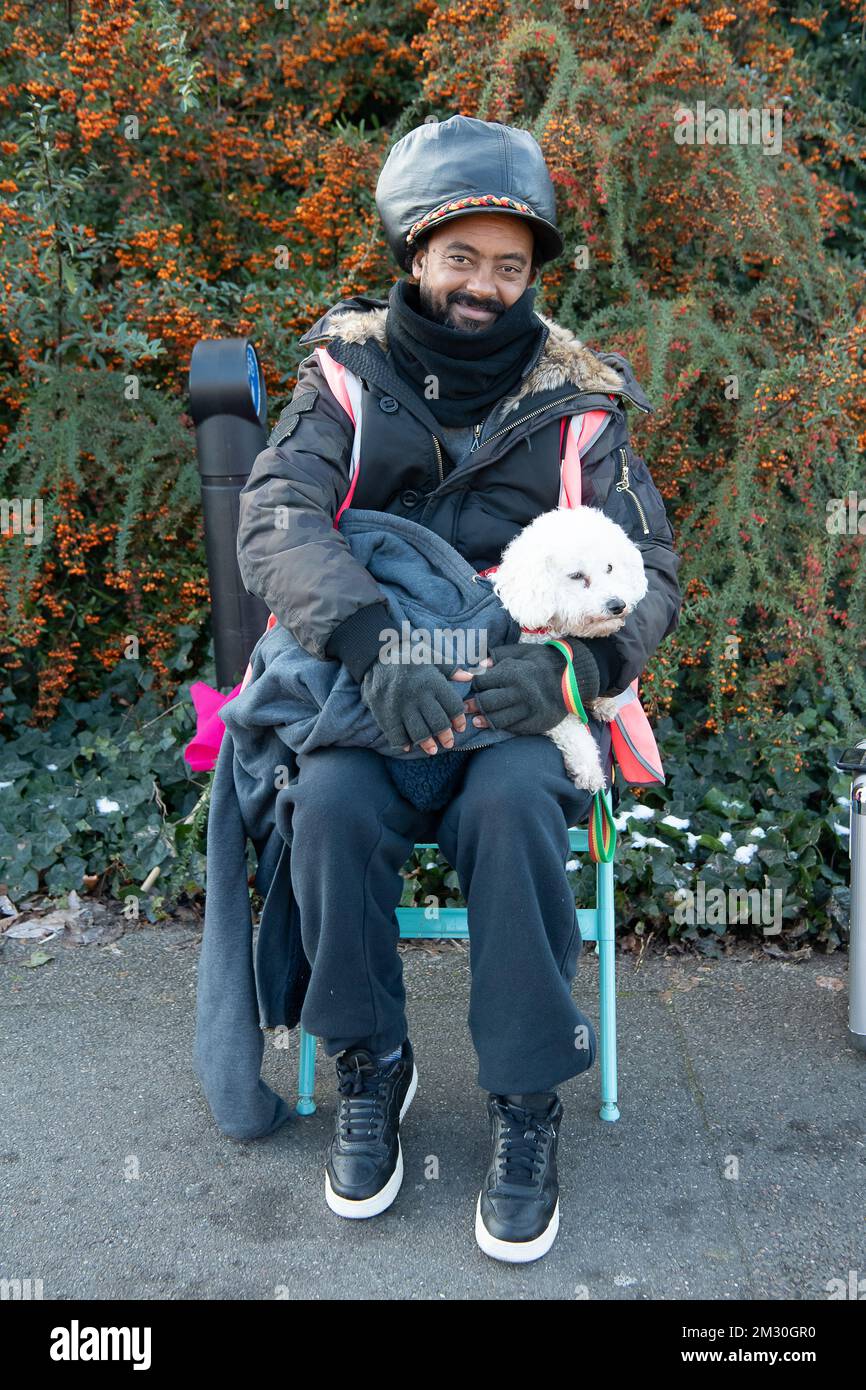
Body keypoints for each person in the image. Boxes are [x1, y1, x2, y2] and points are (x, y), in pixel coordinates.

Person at [235, 114, 681, 1263]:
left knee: (517, 804)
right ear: (412, 254)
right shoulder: (344, 378)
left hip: (519, 692)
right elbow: (278, 518)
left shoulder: (579, 404)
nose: (484, 284)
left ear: (531, 275)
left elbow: (652, 567)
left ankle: (525, 1101)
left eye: (508, 265)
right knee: (328, 805)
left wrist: (579, 667)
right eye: (459, 256)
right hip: (376, 679)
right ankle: (369, 1060)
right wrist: (371, 640)